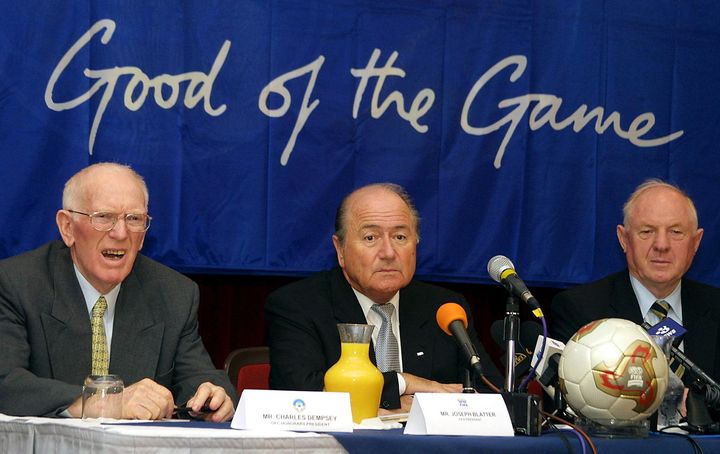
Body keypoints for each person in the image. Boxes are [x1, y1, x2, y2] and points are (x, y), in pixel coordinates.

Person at [0, 163, 236, 420]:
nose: (121, 233)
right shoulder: (17, 283)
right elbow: (7, 382)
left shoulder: (174, 294)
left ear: (143, 235)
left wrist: (212, 396)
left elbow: (197, 378)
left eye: (134, 219)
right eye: (103, 217)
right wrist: (103, 403)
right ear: (67, 227)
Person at [266, 183, 500, 412]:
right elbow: (301, 395)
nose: (388, 253)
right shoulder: (297, 306)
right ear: (340, 249)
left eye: (400, 237)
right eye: (370, 238)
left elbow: (489, 392)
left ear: (416, 244)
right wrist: (402, 383)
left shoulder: (444, 308)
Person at [551, 179, 720, 382]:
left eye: (676, 232)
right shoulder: (582, 312)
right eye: (647, 231)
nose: (661, 245)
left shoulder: (715, 307)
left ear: (696, 242)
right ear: (624, 239)